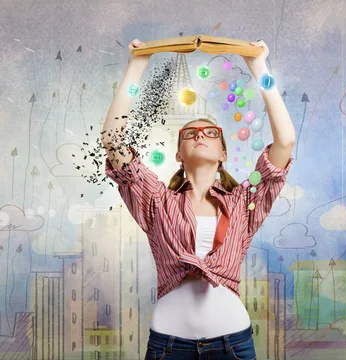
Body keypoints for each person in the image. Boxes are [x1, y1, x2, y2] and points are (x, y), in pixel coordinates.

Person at [101, 38, 295, 360]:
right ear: (179, 154)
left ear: (223, 152)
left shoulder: (244, 203)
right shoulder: (155, 201)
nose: (200, 135)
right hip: (168, 346)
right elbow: (113, 140)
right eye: (190, 133)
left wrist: (258, 64)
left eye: (210, 132)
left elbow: (285, 141)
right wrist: (137, 63)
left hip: (233, 345)